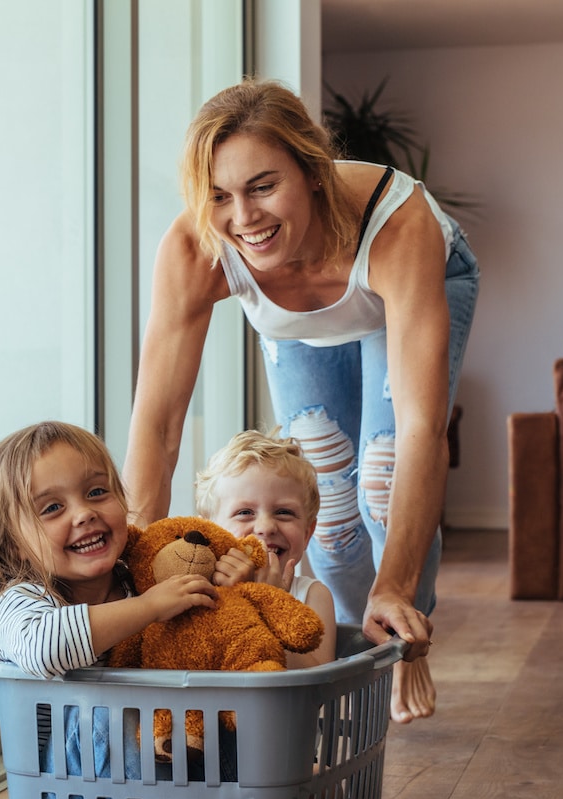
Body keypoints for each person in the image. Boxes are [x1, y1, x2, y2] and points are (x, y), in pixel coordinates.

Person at [124, 78, 481, 724]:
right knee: (331, 512)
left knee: (379, 473)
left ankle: (401, 634)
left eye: (263, 186)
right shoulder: (196, 246)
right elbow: (157, 424)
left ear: (312, 172)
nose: (244, 218)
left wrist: (397, 584)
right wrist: (132, 571)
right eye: (220, 196)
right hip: (302, 326)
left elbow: (423, 427)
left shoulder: (399, 224)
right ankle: (349, 652)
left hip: (407, 287)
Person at [0, 420, 278, 799]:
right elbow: (46, 647)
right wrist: (150, 607)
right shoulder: (22, 601)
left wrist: (229, 582)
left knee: (212, 696)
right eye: (53, 508)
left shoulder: (143, 575)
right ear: (11, 539)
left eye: (98, 492)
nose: (84, 514)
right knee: (111, 707)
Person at [194, 428, 337, 668]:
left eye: (284, 512)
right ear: (210, 529)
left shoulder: (312, 596)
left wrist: (269, 603)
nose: (266, 527)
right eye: (245, 513)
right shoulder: (198, 588)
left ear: (307, 532)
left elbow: (317, 680)